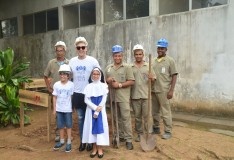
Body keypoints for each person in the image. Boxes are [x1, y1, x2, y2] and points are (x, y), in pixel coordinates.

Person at [69, 36, 100, 152]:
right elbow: (68, 77)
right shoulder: (72, 61)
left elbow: (99, 76)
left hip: (90, 95)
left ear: (86, 48)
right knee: (81, 119)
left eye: (83, 47)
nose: (81, 49)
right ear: (76, 49)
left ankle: (90, 142)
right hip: (77, 95)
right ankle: (83, 141)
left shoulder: (93, 61)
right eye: (78, 47)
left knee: (91, 119)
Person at [105, 45, 135, 150]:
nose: (117, 58)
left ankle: (128, 139)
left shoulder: (127, 67)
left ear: (122, 55)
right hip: (113, 98)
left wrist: (120, 85)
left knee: (125, 118)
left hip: (123, 98)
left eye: (119, 55)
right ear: (113, 56)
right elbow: (105, 82)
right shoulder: (108, 68)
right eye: (115, 56)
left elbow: (132, 81)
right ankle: (119, 136)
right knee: (115, 118)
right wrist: (108, 81)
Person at [151, 38, 178, 139]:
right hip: (153, 90)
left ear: (166, 49)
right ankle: (156, 127)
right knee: (154, 111)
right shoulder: (153, 61)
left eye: (162, 48)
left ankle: (168, 131)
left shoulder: (170, 61)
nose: (160, 50)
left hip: (164, 90)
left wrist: (171, 90)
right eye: (159, 48)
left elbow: (174, 75)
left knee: (165, 111)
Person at [44, 41, 69, 142]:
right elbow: (45, 76)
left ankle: (68, 134)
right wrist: (49, 88)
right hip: (55, 94)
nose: (59, 53)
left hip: (66, 94)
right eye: (57, 51)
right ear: (55, 51)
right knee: (58, 114)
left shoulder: (69, 62)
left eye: (61, 50)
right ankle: (58, 133)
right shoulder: (51, 63)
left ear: (64, 51)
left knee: (67, 113)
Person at [130, 44, 156, 142]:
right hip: (135, 96)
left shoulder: (148, 66)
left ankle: (148, 133)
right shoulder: (131, 67)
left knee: (147, 116)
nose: (138, 56)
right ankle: (139, 134)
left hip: (146, 96)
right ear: (134, 55)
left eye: (140, 54)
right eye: (136, 54)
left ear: (143, 54)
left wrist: (151, 78)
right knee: (137, 117)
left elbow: (154, 79)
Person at [83, 67, 109, 159]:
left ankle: (100, 148)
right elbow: (86, 100)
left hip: (101, 111)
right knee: (92, 128)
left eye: (97, 74)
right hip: (90, 111)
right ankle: (94, 148)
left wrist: (98, 111)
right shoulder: (88, 86)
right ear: (91, 75)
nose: (96, 75)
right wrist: (94, 108)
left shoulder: (104, 86)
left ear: (100, 75)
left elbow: (104, 99)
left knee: (100, 128)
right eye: (94, 74)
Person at [52, 64, 74, 152]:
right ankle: (61, 141)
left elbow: (72, 97)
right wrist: (54, 109)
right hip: (59, 109)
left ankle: (68, 142)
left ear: (68, 75)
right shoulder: (57, 85)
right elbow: (54, 97)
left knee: (68, 125)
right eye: (61, 74)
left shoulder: (71, 85)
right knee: (60, 126)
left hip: (68, 109)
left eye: (65, 74)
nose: (62, 76)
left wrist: (72, 107)